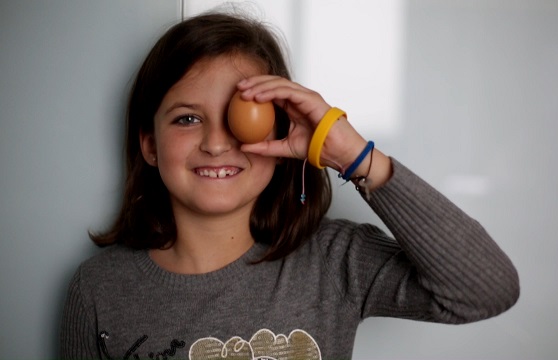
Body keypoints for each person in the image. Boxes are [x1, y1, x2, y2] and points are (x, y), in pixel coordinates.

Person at [60, 10, 519, 360]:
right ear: (150, 145)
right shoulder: (100, 289)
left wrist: (352, 154)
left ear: (281, 133)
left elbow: (487, 290)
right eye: (188, 118)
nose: (218, 143)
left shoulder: (333, 262)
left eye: (240, 118)